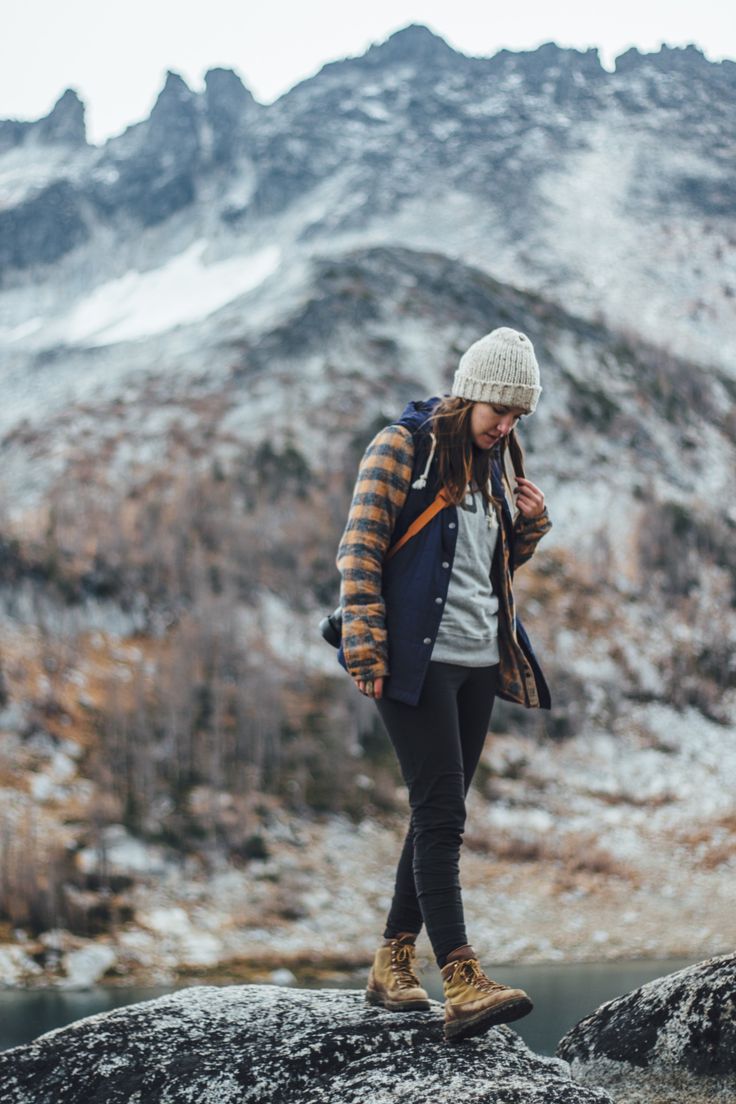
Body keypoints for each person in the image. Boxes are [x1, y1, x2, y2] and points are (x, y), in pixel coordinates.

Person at [335, 327, 553, 1043]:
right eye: (501, 409)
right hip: (416, 665)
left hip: (478, 664)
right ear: (470, 392)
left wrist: (527, 530)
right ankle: (461, 977)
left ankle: (391, 964)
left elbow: (482, 572)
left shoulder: (495, 465)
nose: (507, 424)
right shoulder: (402, 448)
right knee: (442, 816)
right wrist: (366, 649)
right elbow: (360, 551)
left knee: (439, 809)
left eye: (519, 415)